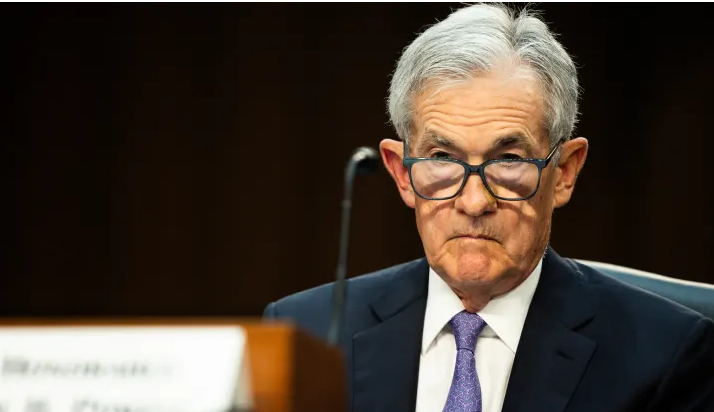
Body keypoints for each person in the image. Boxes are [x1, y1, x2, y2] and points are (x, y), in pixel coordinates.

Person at [263, 3, 714, 412]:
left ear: (565, 172)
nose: (474, 202)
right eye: (442, 159)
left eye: (508, 161)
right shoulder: (306, 332)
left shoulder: (667, 354)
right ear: (402, 173)